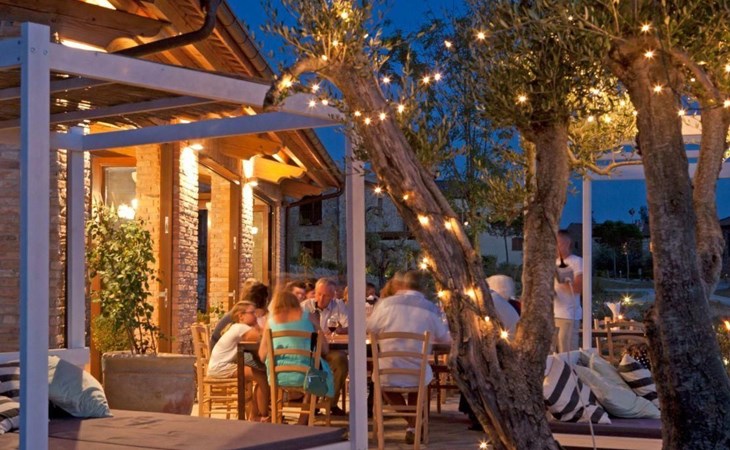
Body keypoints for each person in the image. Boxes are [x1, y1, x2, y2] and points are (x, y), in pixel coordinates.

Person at [366, 270, 452, 444]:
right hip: (417, 372)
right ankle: (415, 424)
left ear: (400, 285)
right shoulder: (429, 307)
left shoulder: (384, 305)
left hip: (387, 372)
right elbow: (445, 339)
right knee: (421, 377)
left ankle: (412, 425)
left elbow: (370, 329)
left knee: (381, 382)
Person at [259, 290, 334, 424]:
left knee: (313, 370)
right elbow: (324, 349)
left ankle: (276, 417)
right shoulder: (309, 317)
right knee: (316, 371)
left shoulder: (270, 322)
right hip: (306, 376)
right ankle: (303, 421)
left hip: (278, 376)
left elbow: (261, 355)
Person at [208, 301, 270, 422]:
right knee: (262, 376)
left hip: (219, 365)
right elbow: (262, 337)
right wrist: (265, 323)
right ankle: (263, 415)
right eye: (252, 313)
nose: (255, 315)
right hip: (221, 367)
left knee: (261, 374)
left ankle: (256, 415)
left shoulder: (237, 327)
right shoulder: (241, 328)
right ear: (241, 316)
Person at [300, 278, 349, 415]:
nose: (321, 298)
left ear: (333, 296)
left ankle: (330, 403)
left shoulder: (338, 305)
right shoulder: (305, 307)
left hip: (329, 349)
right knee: (315, 363)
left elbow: (349, 326)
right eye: (319, 294)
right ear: (315, 293)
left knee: (341, 360)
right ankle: (312, 403)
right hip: (309, 350)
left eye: (326, 295)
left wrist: (340, 330)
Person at [210, 282, 269, 351]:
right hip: (221, 352)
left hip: (215, 349)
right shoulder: (241, 323)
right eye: (253, 313)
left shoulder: (237, 313)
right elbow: (261, 338)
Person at [554, 229, 583, 353]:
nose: (555, 247)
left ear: (567, 243)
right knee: (552, 354)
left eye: (558, 243)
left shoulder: (576, 262)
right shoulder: (552, 262)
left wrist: (562, 280)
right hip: (551, 314)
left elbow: (579, 288)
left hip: (568, 315)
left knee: (566, 353)